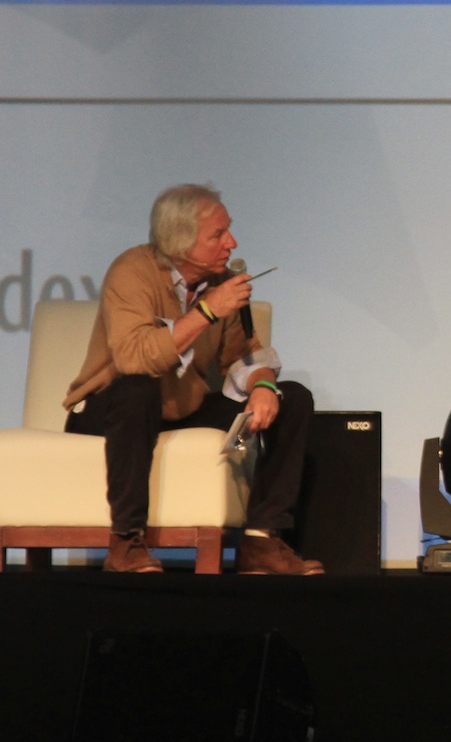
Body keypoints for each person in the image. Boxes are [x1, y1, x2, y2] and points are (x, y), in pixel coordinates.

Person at [62, 185, 321, 574]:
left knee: (292, 397)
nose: (231, 243)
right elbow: (134, 359)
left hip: (177, 407)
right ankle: (126, 542)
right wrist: (207, 311)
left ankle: (260, 540)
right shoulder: (132, 271)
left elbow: (244, 354)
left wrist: (264, 385)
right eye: (218, 235)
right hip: (109, 408)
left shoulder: (219, 283)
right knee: (138, 389)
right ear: (179, 241)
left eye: (228, 231)